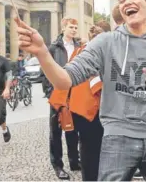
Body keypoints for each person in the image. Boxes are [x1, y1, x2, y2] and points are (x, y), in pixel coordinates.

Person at [16, 0, 146, 181]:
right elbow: (64, 81)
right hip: (118, 135)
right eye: (122, 0)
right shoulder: (106, 42)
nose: (127, 3)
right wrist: (42, 52)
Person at [49, 25, 105, 181]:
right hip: (90, 107)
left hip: (81, 106)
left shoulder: (79, 50)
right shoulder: (90, 51)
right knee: (93, 148)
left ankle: (83, 168)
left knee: (87, 148)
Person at [43, 17, 81, 180]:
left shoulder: (80, 47)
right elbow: (45, 71)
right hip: (58, 95)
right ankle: (58, 165)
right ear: (63, 28)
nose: (74, 30)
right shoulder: (53, 48)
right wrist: (50, 92)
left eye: (76, 27)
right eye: (71, 27)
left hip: (76, 95)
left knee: (73, 130)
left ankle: (74, 161)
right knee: (56, 132)